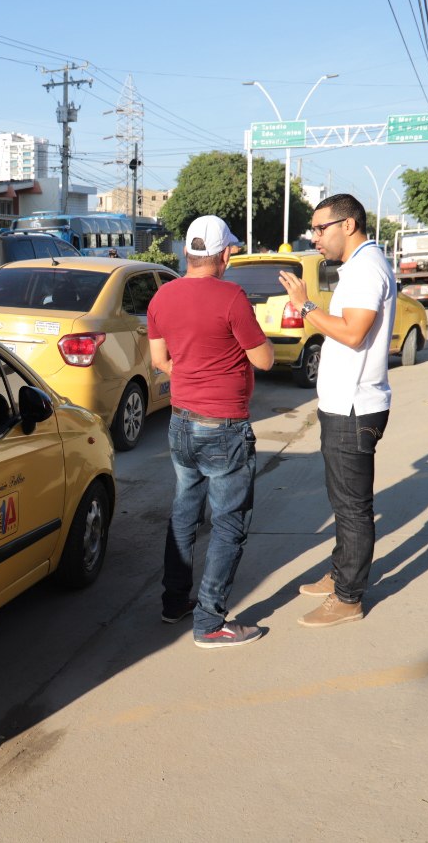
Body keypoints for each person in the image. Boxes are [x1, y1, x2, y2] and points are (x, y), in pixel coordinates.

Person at [147, 215, 275, 649]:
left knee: (185, 513)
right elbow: (264, 361)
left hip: (181, 421)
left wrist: (192, 373)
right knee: (228, 524)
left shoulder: (162, 296)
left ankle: (174, 602)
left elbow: (159, 359)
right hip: (224, 426)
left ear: (187, 252)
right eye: (230, 252)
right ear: (223, 255)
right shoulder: (231, 296)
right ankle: (209, 622)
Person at [277, 193, 395, 628]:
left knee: (352, 508)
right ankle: (340, 575)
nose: (315, 237)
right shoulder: (359, 266)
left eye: (320, 228)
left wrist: (307, 306)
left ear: (348, 224)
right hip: (343, 405)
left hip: (354, 408)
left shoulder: (366, 269)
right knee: (343, 502)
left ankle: (348, 598)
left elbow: (352, 333)